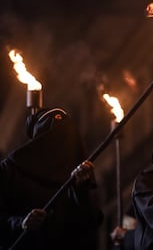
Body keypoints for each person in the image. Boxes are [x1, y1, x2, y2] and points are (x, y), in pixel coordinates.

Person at [0, 107, 103, 250]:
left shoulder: (77, 177)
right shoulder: (10, 170)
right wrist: (22, 223)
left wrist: (80, 191)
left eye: (67, 140)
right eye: (56, 138)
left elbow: (89, 224)